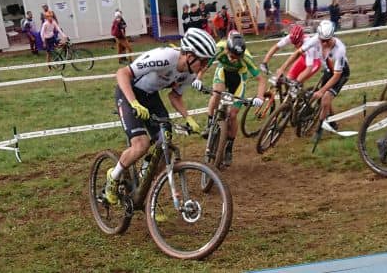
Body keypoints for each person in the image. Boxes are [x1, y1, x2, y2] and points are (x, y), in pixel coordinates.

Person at [103, 28, 216, 205]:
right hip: (129, 92)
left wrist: (188, 117)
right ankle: (113, 176)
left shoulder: (189, 73)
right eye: (203, 61)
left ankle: (149, 191)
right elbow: (122, 73)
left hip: (150, 96)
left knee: (166, 143)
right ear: (189, 54)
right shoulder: (164, 57)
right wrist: (133, 103)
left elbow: (175, 96)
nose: (204, 67)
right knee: (140, 145)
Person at [195, 31, 266, 166]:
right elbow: (206, 65)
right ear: (227, 48)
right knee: (216, 93)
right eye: (232, 56)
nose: (234, 60)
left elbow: (261, 79)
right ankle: (209, 124)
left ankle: (228, 148)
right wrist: (198, 79)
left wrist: (260, 97)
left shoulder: (246, 58)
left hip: (238, 78)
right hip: (223, 73)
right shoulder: (219, 48)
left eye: (237, 58)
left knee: (232, 115)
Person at [276, 21, 350, 142]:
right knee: (324, 100)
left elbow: (336, 76)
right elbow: (298, 52)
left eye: (327, 40)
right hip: (328, 69)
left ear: (333, 37)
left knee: (325, 97)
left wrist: (321, 91)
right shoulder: (316, 39)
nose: (324, 43)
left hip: (340, 74)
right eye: (322, 40)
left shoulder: (340, 50)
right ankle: (333, 121)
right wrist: (282, 68)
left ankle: (319, 129)